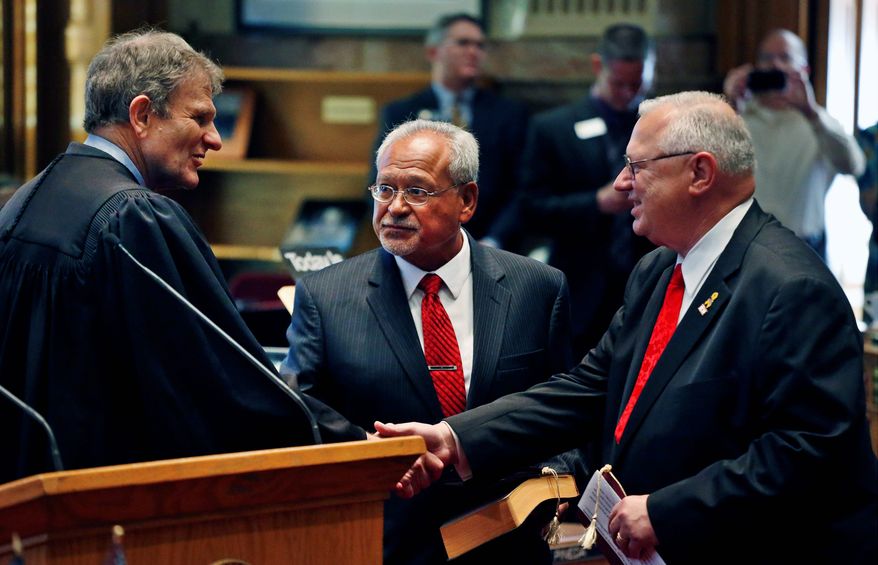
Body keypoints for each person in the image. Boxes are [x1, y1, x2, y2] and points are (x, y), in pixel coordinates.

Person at [377, 92, 878, 565]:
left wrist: (666, 510)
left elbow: (808, 450)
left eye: (636, 166)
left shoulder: (790, 287)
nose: (621, 182)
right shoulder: (660, 270)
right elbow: (588, 388)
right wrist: (453, 437)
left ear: (699, 172)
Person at [0, 29, 362, 484]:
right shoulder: (132, 218)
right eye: (201, 118)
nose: (215, 139)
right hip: (109, 507)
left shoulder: (24, 200)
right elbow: (221, 379)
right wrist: (349, 443)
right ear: (143, 115)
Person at [282, 119, 577, 564]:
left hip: (507, 540)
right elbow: (298, 409)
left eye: (417, 192)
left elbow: (566, 407)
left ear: (467, 200)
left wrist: (559, 481)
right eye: (384, 190)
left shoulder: (536, 288)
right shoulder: (326, 295)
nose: (395, 207)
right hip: (383, 541)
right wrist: (372, 452)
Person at [508, 23, 656, 357]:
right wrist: (595, 203)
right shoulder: (552, 128)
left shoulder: (661, 126)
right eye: (619, 83)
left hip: (649, 282)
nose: (628, 94)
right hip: (581, 286)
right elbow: (530, 208)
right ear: (596, 67)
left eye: (638, 84)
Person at [369, 13, 529, 242]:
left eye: (480, 45)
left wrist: (496, 238)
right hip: (420, 238)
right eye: (463, 43)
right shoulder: (401, 112)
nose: (474, 52)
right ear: (433, 52)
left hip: (491, 241)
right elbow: (379, 182)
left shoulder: (509, 114)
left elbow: (523, 188)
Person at [723, 28, 865, 260]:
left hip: (807, 248)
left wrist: (811, 114)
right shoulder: (737, 118)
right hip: (747, 249)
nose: (776, 66)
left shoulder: (820, 122)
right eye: (767, 59)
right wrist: (729, 106)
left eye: (785, 58)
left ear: (804, 70)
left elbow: (855, 166)